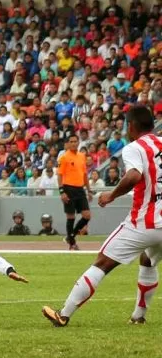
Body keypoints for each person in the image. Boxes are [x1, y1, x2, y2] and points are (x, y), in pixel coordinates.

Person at [43, 105, 162, 327]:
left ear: (132, 126)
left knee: (102, 263)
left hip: (144, 222)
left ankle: (64, 315)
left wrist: (111, 195)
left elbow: (134, 175)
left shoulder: (134, 147)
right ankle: (138, 316)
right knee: (148, 260)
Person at [58, 135, 93, 250]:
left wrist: (89, 190)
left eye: (75, 141)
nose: (73, 143)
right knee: (71, 216)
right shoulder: (64, 158)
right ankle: (72, 243)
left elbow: (84, 175)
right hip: (68, 188)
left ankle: (70, 235)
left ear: (78, 143)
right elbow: (59, 175)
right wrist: (62, 191)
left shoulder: (82, 156)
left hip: (80, 189)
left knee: (87, 216)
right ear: (68, 144)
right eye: (71, 142)